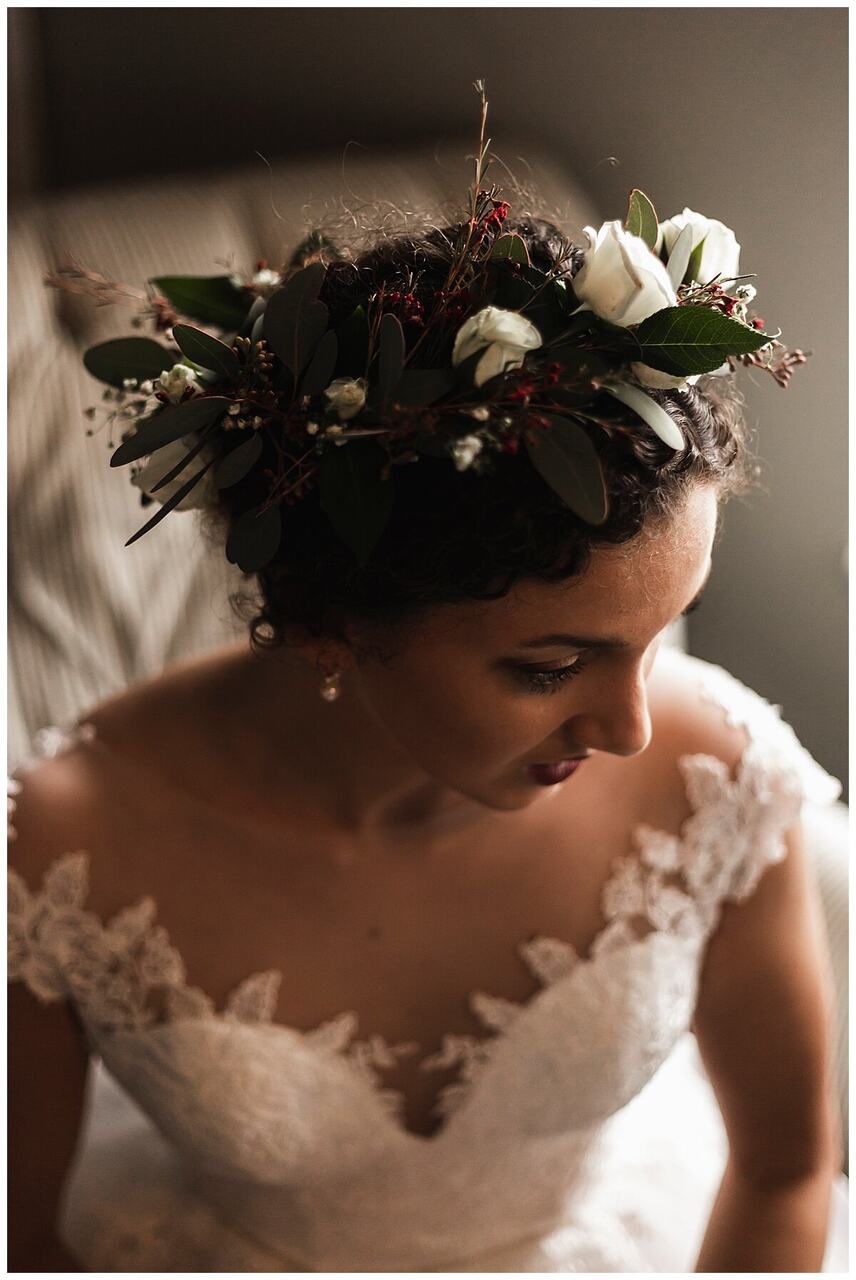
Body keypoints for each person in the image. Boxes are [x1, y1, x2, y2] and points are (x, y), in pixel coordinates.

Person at [9, 168, 848, 1272]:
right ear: (325, 623)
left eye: (662, 634)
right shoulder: (65, 845)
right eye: (552, 665)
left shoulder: (716, 782)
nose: (634, 727)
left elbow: (787, 1171)